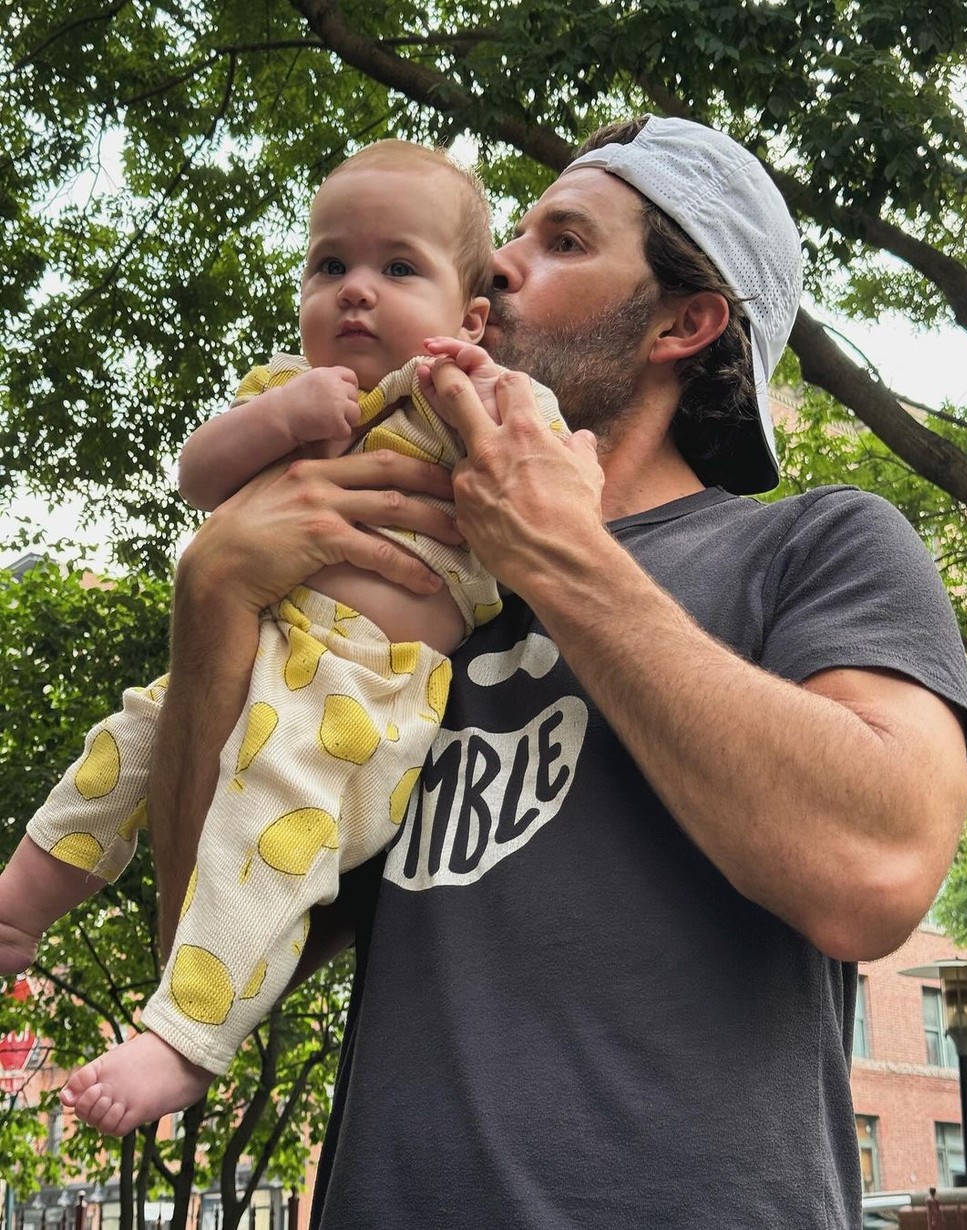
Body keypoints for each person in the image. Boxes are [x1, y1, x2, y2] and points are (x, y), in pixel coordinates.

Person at [114, 114, 967, 1227]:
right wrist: (216, 601)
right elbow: (213, 938)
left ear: (685, 321)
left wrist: (557, 553)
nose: (500, 265)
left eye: (564, 241)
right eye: (509, 237)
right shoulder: (407, 603)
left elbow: (873, 870)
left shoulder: (816, 546)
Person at [0, 139, 565, 1135]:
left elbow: (540, 494)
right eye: (329, 265)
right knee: (121, 749)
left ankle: (184, 1040)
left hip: (356, 697)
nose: (356, 292)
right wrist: (277, 422)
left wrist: (496, 400)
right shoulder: (286, 392)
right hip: (254, 643)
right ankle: (19, 905)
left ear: (470, 317)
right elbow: (199, 477)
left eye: (398, 268)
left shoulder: (464, 400)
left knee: (270, 834)